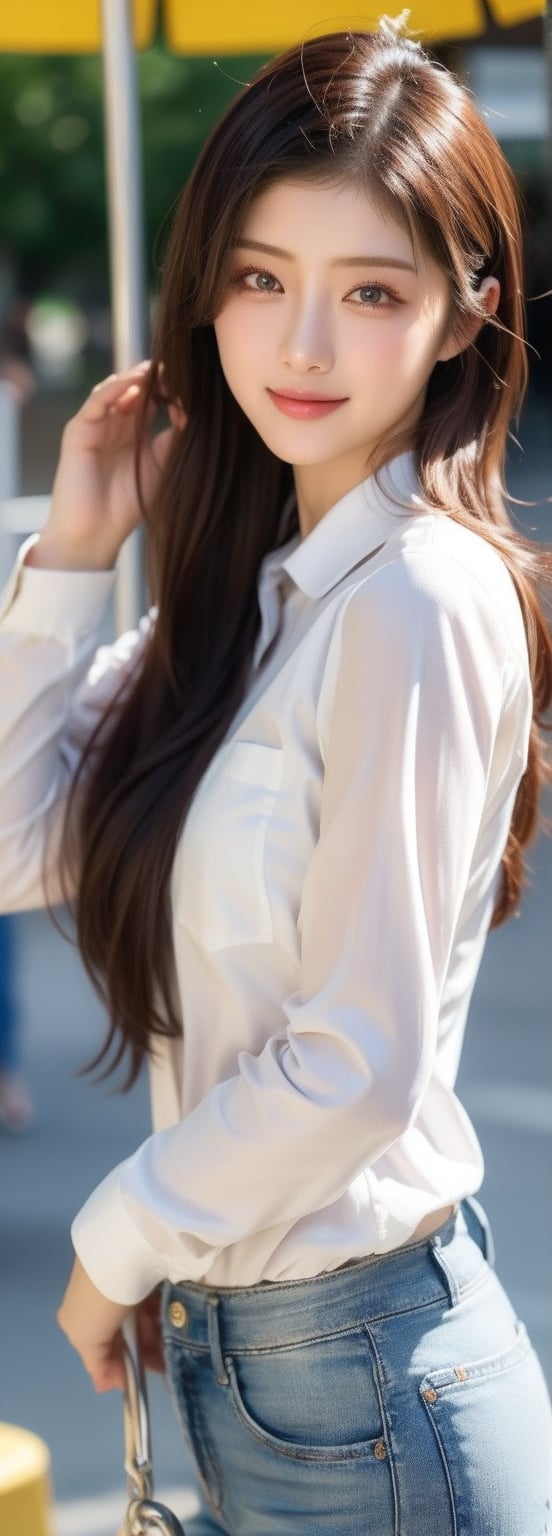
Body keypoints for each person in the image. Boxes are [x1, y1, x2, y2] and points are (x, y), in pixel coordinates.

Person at [0, 17, 551, 1533]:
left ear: (462, 316)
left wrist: (118, 1238)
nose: (302, 346)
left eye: (370, 291)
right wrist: (71, 559)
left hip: (369, 1378)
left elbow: (359, 1057)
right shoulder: (255, 604)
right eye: (260, 279)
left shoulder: (423, 598)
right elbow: (13, 847)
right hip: (274, 1376)